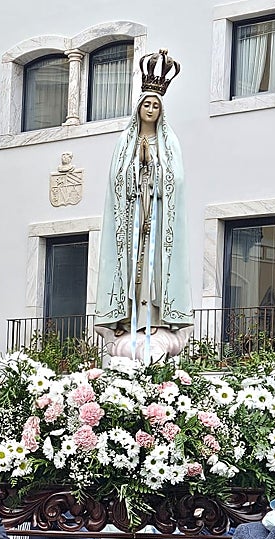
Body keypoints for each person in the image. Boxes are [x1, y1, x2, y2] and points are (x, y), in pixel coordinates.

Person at [94, 50, 192, 361]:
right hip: (132, 218)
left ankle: (156, 320)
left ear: (161, 111)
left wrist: (157, 171)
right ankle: (128, 319)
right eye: (147, 104)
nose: (150, 109)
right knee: (132, 268)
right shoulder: (126, 142)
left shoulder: (169, 142)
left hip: (158, 218)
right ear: (139, 109)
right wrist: (136, 171)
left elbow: (176, 178)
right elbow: (116, 177)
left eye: (155, 105)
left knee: (155, 269)